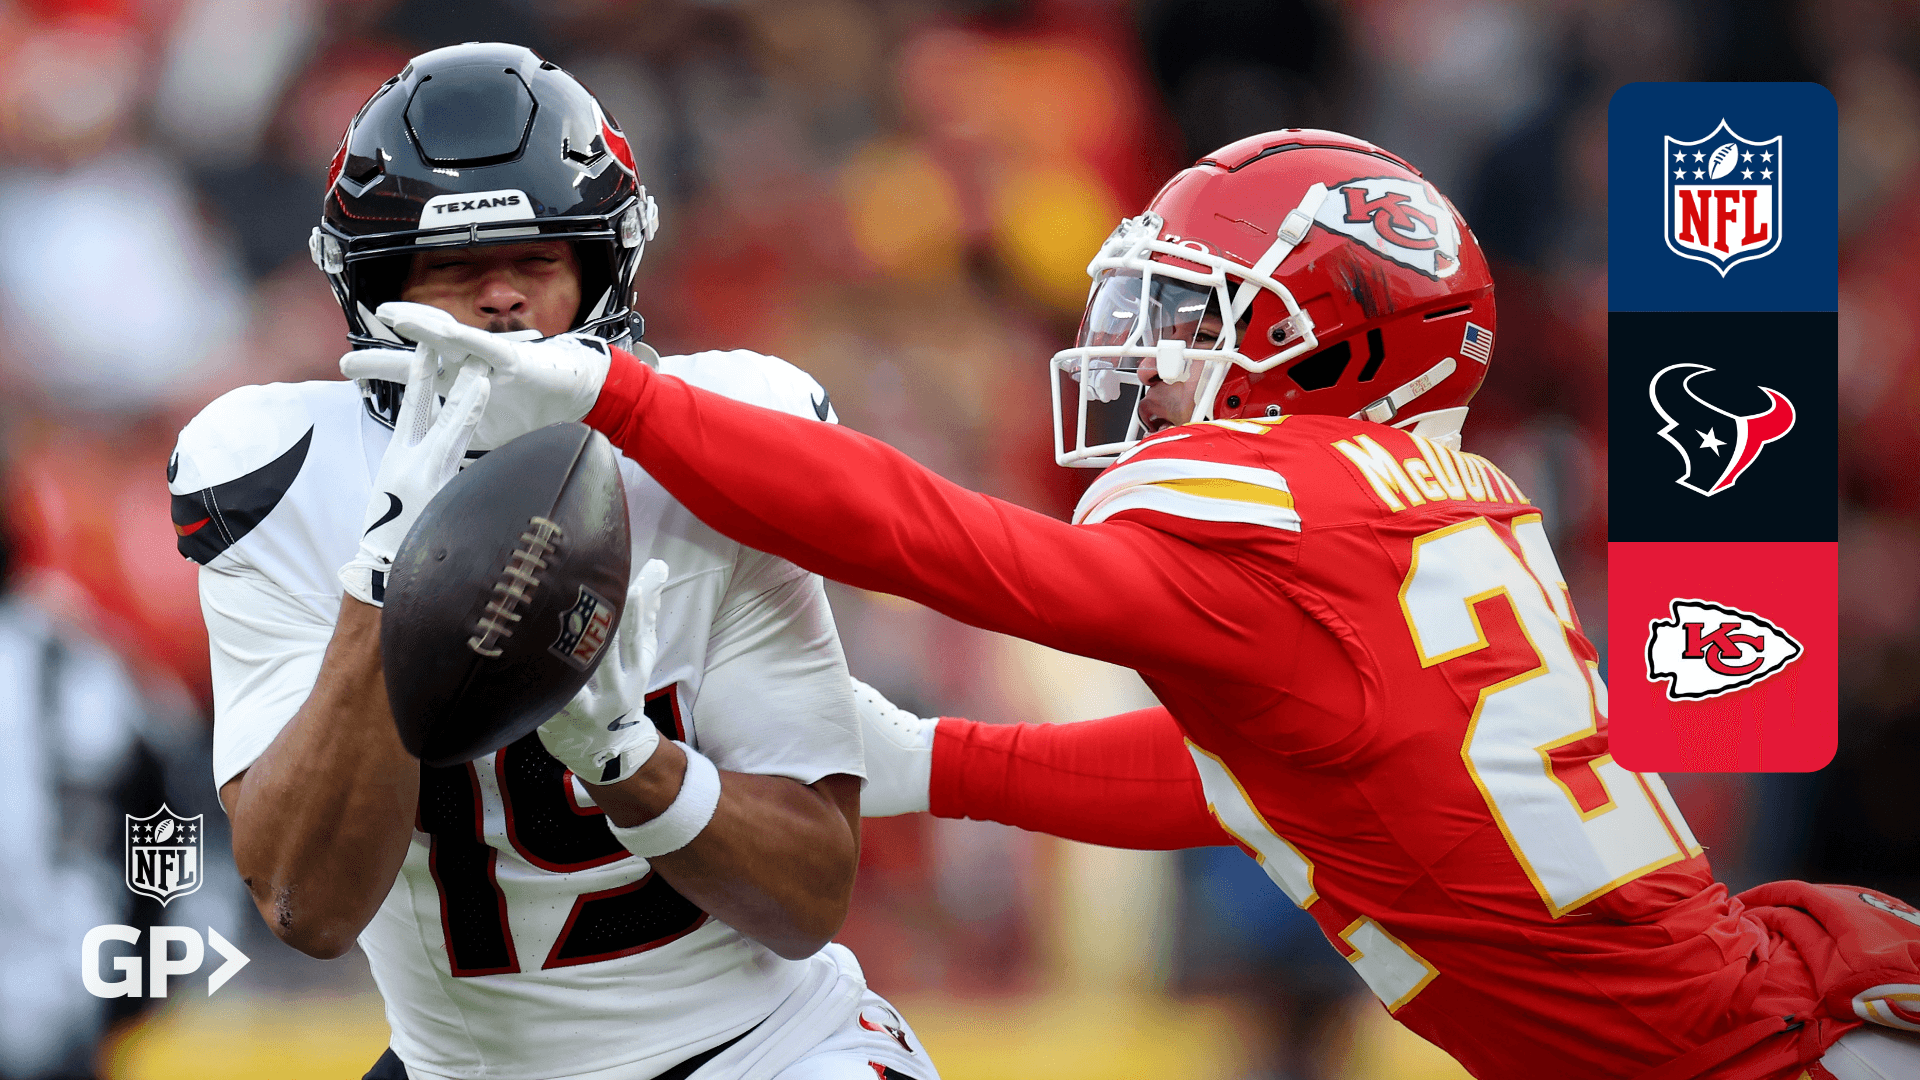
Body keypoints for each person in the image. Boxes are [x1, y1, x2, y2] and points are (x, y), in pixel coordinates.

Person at [433, 128, 1920, 1080]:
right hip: (1746, 1029)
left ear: (1337, 348)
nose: (1144, 353)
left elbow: (945, 546)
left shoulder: (1278, 514)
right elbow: (1280, 780)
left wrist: (623, 396)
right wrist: (939, 763)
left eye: (1196, 314)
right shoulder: (1437, 509)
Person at [174, 43, 937, 1080]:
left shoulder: (727, 443)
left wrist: (633, 763)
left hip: (762, 1050)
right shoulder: (281, 475)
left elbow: (806, 900)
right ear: (373, 284)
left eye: (537, 260)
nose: (500, 302)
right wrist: (383, 583)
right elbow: (305, 906)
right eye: (452, 268)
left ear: (600, 269)